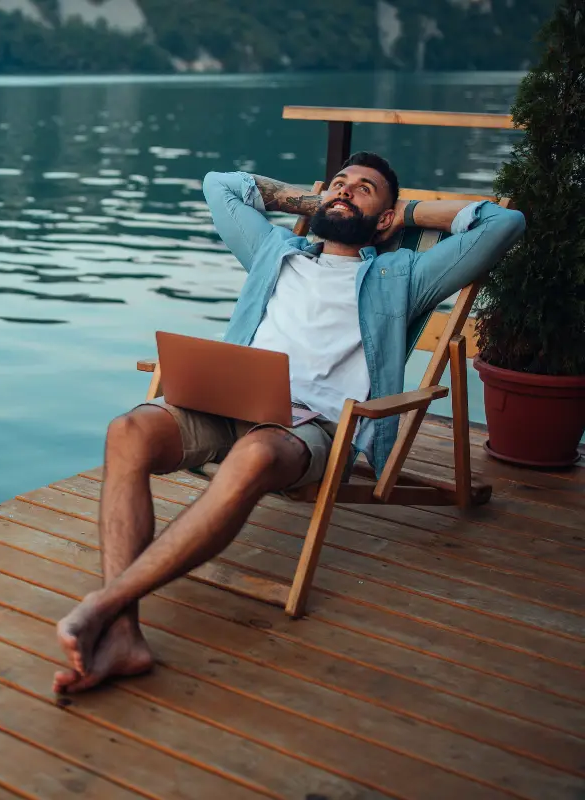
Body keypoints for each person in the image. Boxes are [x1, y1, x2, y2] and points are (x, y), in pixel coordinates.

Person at [53, 152, 527, 694]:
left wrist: (411, 211)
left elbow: (504, 224)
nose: (346, 192)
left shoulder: (404, 275)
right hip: (230, 402)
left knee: (254, 457)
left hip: (312, 428)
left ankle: (103, 607)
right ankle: (121, 634)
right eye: (340, 185)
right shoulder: (273, 251)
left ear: (385, 219)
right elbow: (220, 185)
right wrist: (313, 199)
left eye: (364, 190)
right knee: (127, 430)